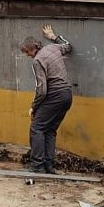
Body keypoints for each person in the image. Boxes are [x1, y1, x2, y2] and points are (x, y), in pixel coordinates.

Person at [20, 24, 73, 174]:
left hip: (54, 96)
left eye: (26, 52)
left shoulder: (37, 61)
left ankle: (37, 166)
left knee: (36, 129)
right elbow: (68, 46)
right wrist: (53, 37)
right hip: (67, 95)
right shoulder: (52, 48)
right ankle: (49, 166)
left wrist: (34, 107)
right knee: (49, 130)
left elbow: (42, 89)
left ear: (31, 48)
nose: (27, 55)